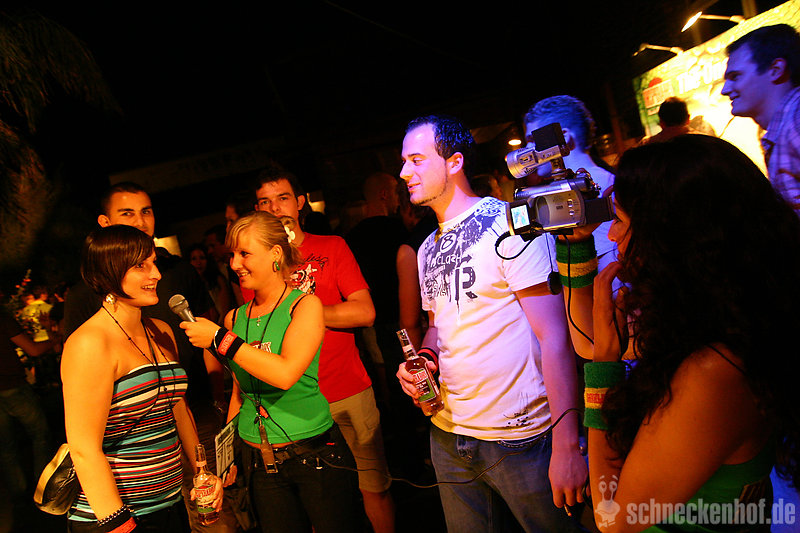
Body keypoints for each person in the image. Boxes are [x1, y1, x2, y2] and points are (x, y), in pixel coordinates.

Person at [560, 134, 800, 531]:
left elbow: (613, 518)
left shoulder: (714, 369)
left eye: (620, 221)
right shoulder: (722, 317)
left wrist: (603, 368)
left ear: (668, 238)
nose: (613, 236)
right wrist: (575, 248)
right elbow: (589, 338)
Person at [396, 114, 587, 531]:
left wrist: (567, 445)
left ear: (454, 162)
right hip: (449, 434)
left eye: (416, 160)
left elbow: (554, 336)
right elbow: (438, 324)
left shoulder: (510, 224)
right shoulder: (427, 247)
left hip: (520, 439)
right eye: (404, 162)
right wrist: (425, 359)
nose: (404, 172)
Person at [61, 181, 236, 532]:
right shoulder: (90, 343)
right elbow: (83, 448)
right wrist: (119, 522)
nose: (155, 274)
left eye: (153, 263)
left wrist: (202, 473)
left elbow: (178, 408)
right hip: (114, 515)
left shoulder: (160, 329)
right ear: (109, 272)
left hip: (169, 503)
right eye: (141, 266)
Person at [179, 211, 360, 533]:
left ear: (275, 254)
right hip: (260, 463)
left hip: (314, 456)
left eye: (245, 253)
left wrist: (220, 339)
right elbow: (239, 392)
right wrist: (228, 456)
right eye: (232, 254)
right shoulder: (235, 318)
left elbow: (285, 373)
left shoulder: (304, 306)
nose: (235, 263)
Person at [253, 167, 396, 533]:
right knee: (319, 502)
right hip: (295, 402)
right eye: (265, 202)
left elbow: (365, 312)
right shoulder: (256, 264)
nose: (275, 208)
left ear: (300, 202)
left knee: (373, 489)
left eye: (283, 198)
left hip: (348, 389)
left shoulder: (332, 247)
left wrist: (308, 311)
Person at [524, 95, 616, 274]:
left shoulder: (601, 188)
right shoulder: (599, 181)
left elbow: (609, 271)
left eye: (533, 140)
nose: (527, 149)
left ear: (563, 137)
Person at [722, 23, 800, 214]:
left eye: (735, 76)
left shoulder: (796, 119)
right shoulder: (784, 128)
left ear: (776, 69)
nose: (725, 90)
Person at [0, 307, 55, 527]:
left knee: (6, 446)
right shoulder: (2, 318)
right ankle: (42, 488)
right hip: (14, 387)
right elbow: (32, 350)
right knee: (40, 435)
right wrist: (54, 339)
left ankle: (18, 494)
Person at [188, 243, 232, 325]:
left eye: (202, 258)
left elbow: (225, 310)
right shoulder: (189, 286)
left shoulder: (217, 280)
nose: (198, 262)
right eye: (194, 259)